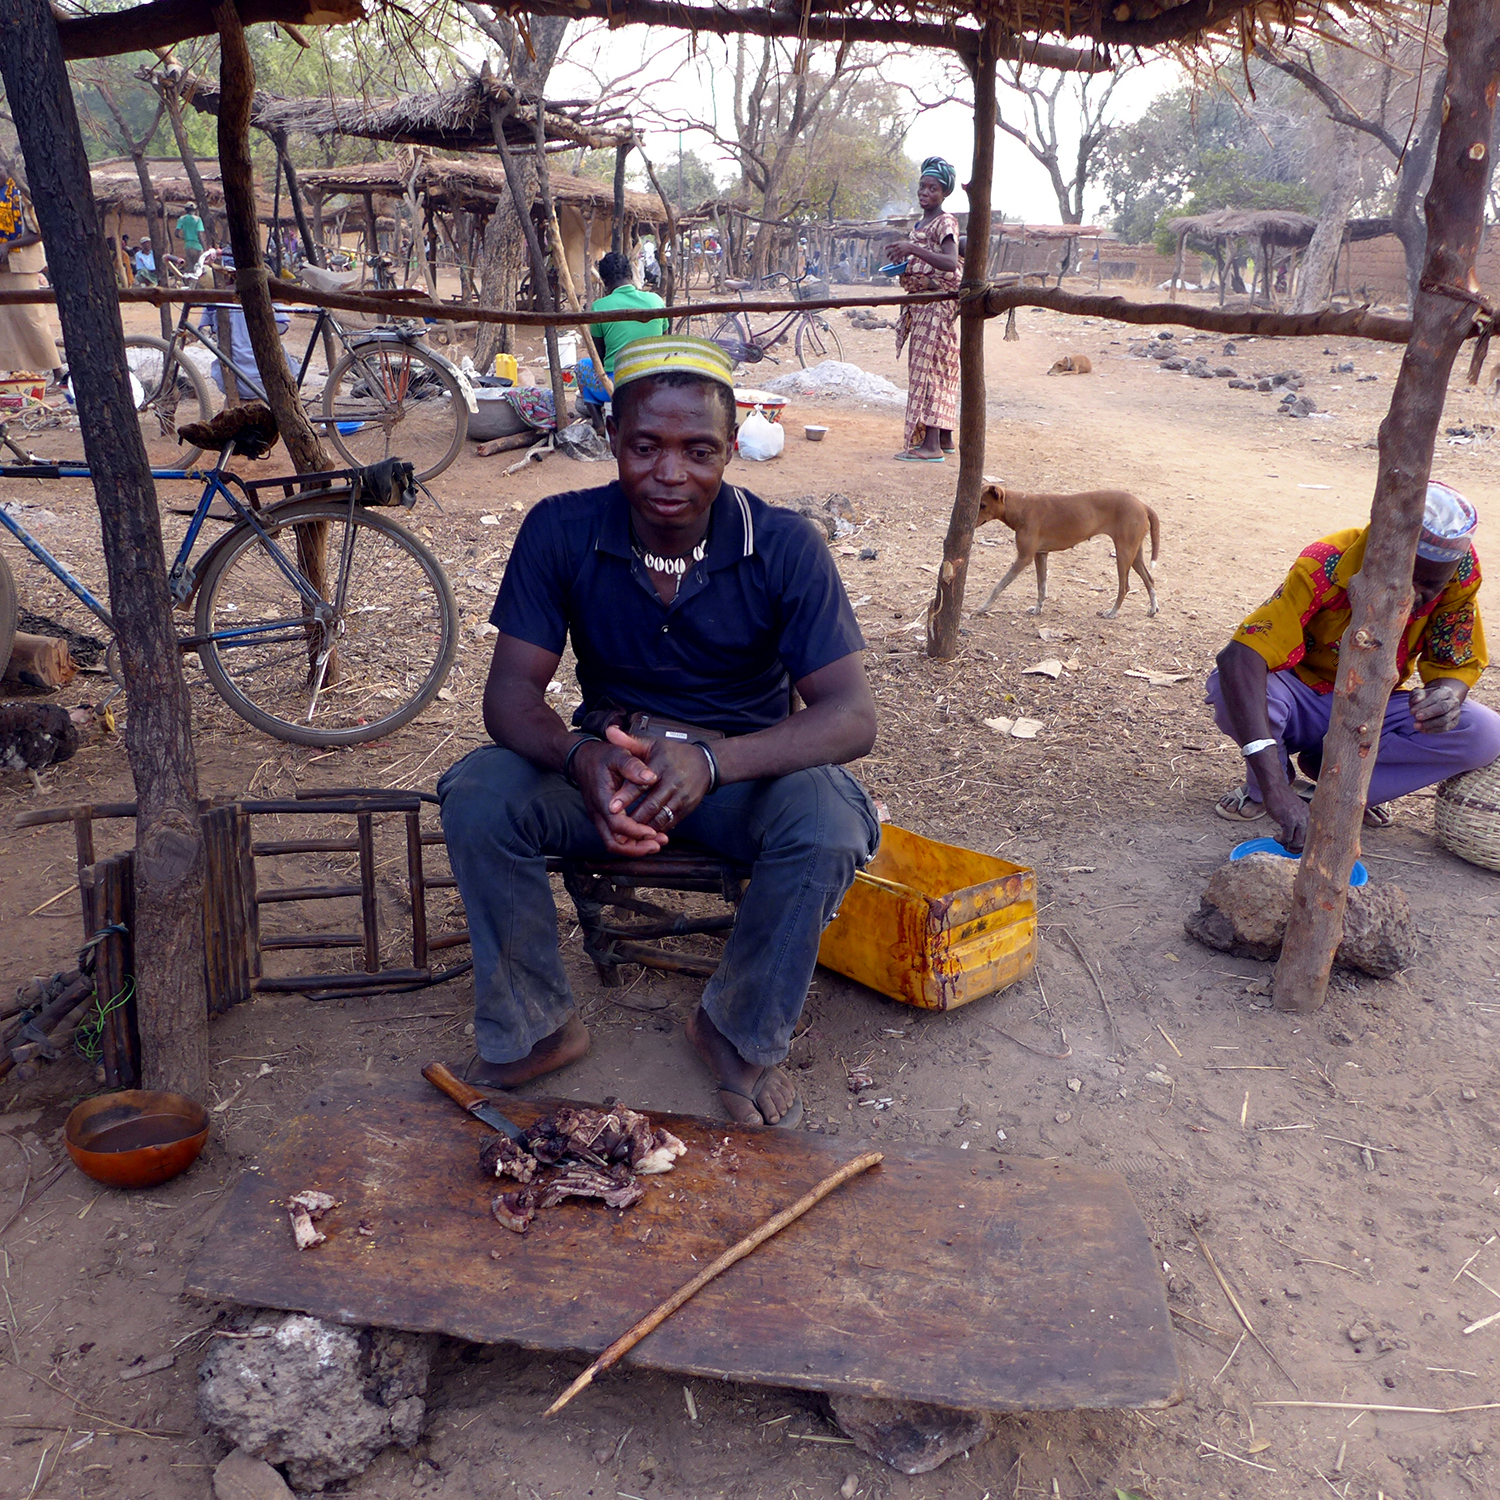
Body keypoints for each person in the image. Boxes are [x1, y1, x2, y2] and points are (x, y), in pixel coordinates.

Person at [437, 335, 880, 1128]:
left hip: (742, 783)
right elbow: (508, 697)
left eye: (698, 449)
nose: (671, 473)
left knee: (830, 820)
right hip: (612, 775)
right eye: (645, 446)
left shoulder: (783, 547)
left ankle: (735, 1032)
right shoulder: (560, 530)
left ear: (732, 445)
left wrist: (713, 761)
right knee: (478, 793)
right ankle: (535, 1027)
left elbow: (851, 716)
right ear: (612, 438)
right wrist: (581, 759)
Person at [1207, 482, 1500, 850]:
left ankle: (1347, 788)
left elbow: (1453, 661)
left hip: (1374, 706)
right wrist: (1275, 790)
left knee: (1483, 733)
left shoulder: (1459, 575)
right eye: (1407, 577)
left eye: (1430, 585)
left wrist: (1446, 697)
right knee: (1231, 686)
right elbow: (1240, 657)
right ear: (1380, 548)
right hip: (1301, 696)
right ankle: (1268, 787)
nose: (1414, 595)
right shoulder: (1327, 562)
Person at [886, 157, 962, 462]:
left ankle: (930, 446)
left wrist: (912, 249)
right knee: (941, 368)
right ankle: (944, 438)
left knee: (931, 370)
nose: (925, 192)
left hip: (935, 305)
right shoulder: (922, 223)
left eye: (933, 188)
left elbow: (948, 261)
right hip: (921, 306)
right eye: (922, 186)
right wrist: (903, 258)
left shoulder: (946, 221)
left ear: (944, 194)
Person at [573, 249, 668, 416]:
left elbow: (599, 359)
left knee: (583, 366)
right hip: (655, 382)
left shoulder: (599, 307)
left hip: (619, 386)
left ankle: (598, 423)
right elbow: (665, 342)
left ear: (605, 281)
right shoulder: (656, 300)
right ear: (630, 275)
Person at [0, 176, 61, 382]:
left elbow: (39, 233)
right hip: (2, 267)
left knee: (31, 318)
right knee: (6, 321)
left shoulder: (21, 196)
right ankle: (16, 372)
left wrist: (7, 245)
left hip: (21, 264)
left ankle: (56, 369)